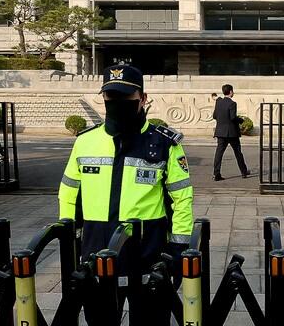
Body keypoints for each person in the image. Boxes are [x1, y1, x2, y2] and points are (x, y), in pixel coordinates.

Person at [59, 64, 195, 261]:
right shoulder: (85, 141)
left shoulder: (165, 144)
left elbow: (182, 199)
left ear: (143, 98)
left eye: (126, 97)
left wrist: (179, 246)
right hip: (95, 246)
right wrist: (70, 236)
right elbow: (69, 194)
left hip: (146, 248)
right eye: (111, 97)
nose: (118, 102)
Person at [212, 83, 251, 181]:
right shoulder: (232, 103)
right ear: (230, 92)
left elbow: (214, 116)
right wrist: (241, 120)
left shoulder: (218, 102)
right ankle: (243, 172)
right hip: (232, 133)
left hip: (220, 132)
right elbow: (233, 117)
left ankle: (216, 174)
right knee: (238, 153)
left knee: (219, 154)